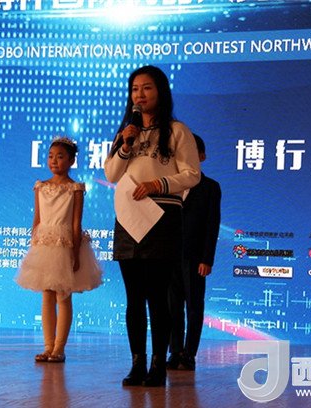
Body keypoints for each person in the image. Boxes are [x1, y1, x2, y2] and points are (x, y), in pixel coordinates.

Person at [104, 65, 201, 387]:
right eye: (135, 89)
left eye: (146, 88)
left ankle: (159, 364)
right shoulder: (126, 133)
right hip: (128, 217)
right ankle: (137, 363)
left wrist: (159, 184)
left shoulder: (176, 131)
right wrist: (125, 146)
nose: (140, 95)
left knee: (158, 296)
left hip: (162, 215)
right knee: (133, 298)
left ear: (160, 91)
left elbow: (192, 174)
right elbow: (111, 174)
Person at [15, 137, 102, 363]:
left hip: (65, 245)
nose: (54, 161)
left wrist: (75, 252)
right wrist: (34, 244)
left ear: (71, 160)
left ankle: (59, 348)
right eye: (51, 156)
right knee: (46, 295)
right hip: (44, 244)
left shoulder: (75, 188)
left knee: (63, 296)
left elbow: (76, 223)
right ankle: (47, 346)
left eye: (60, 157)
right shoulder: (40, 186)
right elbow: (37, 219)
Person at [167, 134, 221, 371]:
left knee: (194, 306)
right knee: (172, 306)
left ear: (202, 156)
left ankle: (189, 354)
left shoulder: (210, 187)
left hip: (195, 257)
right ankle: (174, 351)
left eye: (192, 153)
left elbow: (212, 225)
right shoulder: (170, 184)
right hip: (169, 256)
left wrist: (207, 259)